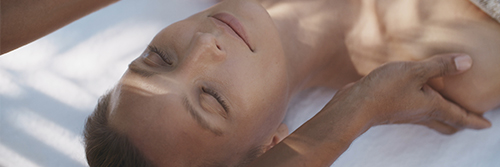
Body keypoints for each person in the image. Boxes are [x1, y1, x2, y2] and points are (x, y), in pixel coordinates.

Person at [2, 0, 499, 166]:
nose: (203, 47)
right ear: (272, 148)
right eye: (211, 98)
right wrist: (355, 112)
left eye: (157, 57)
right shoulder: (465, 68)